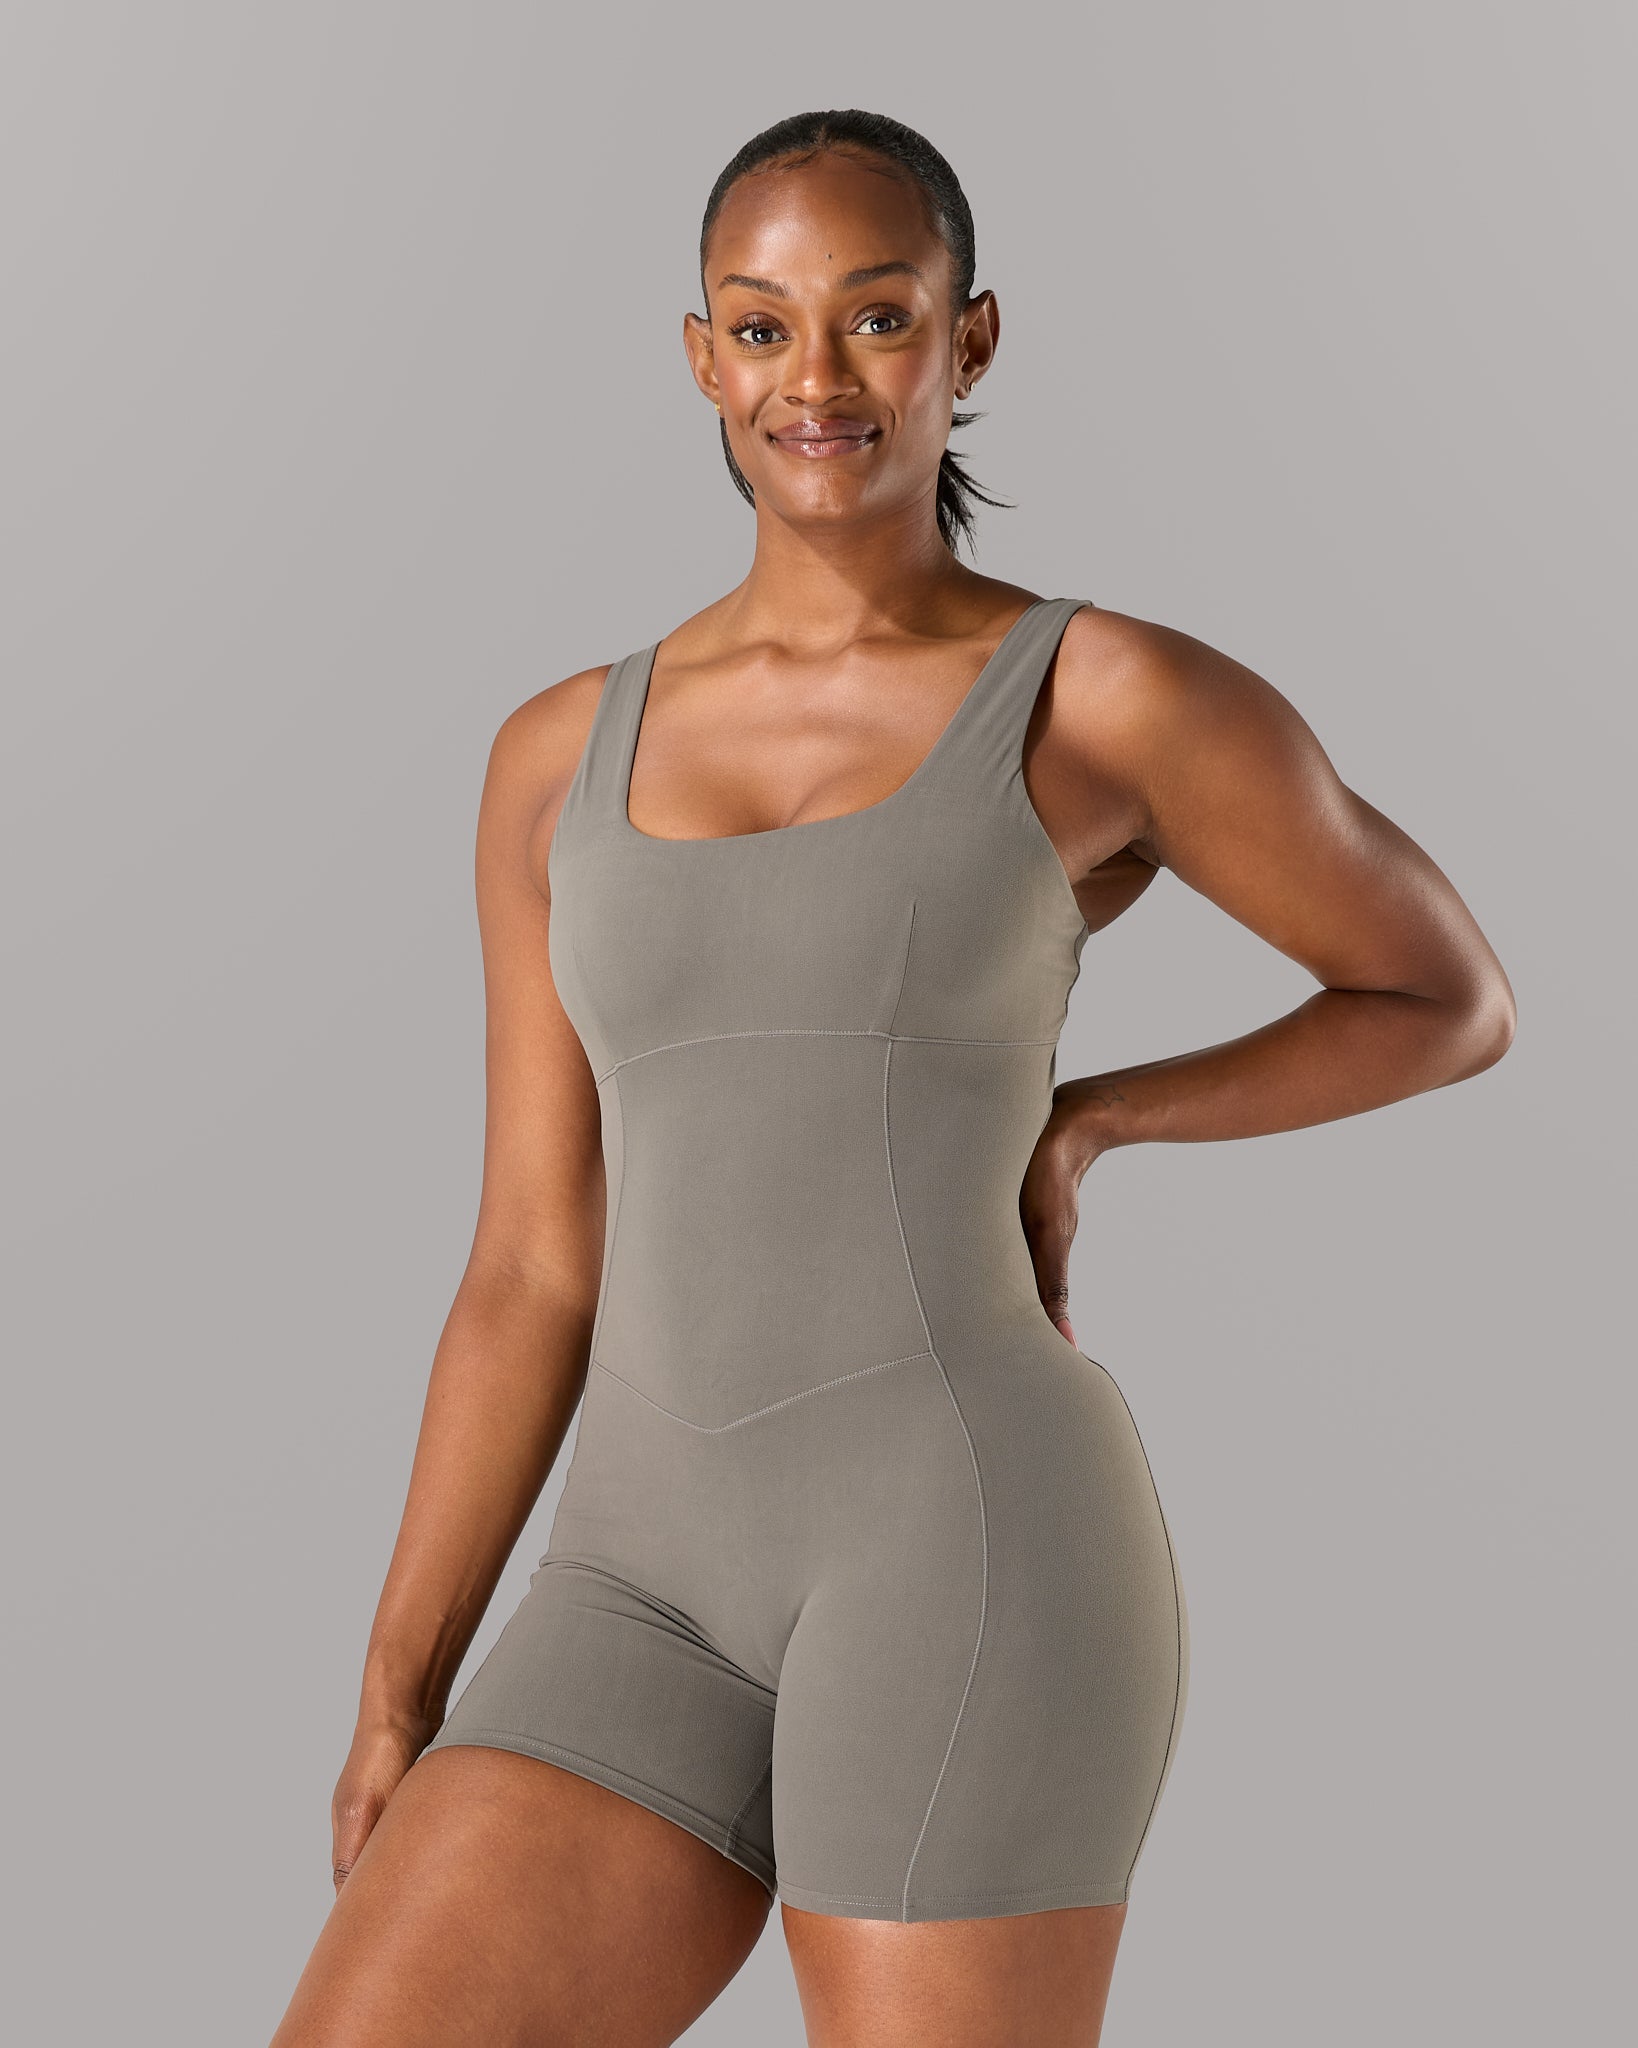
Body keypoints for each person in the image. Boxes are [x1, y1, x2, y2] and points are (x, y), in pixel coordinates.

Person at [270, 108, 1515, 2048]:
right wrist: (395, 1686)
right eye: (762, 327)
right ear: (703, 357)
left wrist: (1097, 1117)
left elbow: (1443, 992)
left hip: (965, 1553)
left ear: (968, 337)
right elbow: (529, 1260)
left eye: (875, 316)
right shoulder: (552, 758)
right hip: (633, 1582)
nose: (817, 378)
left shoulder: (1102, 697)